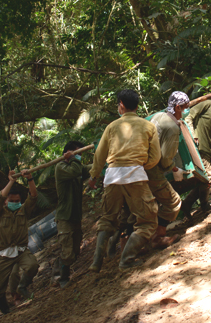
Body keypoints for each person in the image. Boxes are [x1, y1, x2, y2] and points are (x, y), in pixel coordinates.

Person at [87, 89, 161, 272]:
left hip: (112, 177)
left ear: (121, 105)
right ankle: (126, 260)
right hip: (135, 175)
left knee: (107, 219)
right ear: (136, 105)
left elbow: (100, 155)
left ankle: (96, 262)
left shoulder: (111, 127)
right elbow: (155, 157)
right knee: (148, 221)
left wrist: (93, 176)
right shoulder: (148, 126)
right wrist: (143, 165)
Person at [0, 170, 39, 314]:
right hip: (4, 254)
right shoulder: (0, 212)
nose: (15, 203)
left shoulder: (24, 211)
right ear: (6, 202)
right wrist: (11, 180)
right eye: (11, 201)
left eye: (17, 201)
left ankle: (21, 287)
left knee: (32, 266)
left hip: (21, 251)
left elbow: (34, 196)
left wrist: (30, 178)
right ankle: (5, 308)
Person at [145, 91, 188, 247]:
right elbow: (165, 159)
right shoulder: (172, 127)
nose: (186, 111)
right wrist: (175, 169)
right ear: (177, 107)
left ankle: (135, 246)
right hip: (153, 170)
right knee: (174, 202)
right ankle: (159, 237)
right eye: (185, 108)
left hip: (140, 167)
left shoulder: (158, 117)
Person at [54, 140, 89, 288]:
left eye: (80, 154)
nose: (79, 157)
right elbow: (75, 171)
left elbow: (90, 169)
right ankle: (62, 277)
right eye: (76, 153)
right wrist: (73, 158)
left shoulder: (78, 166)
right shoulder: (61, 167)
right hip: (64, 216)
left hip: (75, 215)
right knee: (68, 252)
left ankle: (58, 267)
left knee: (75, 251)